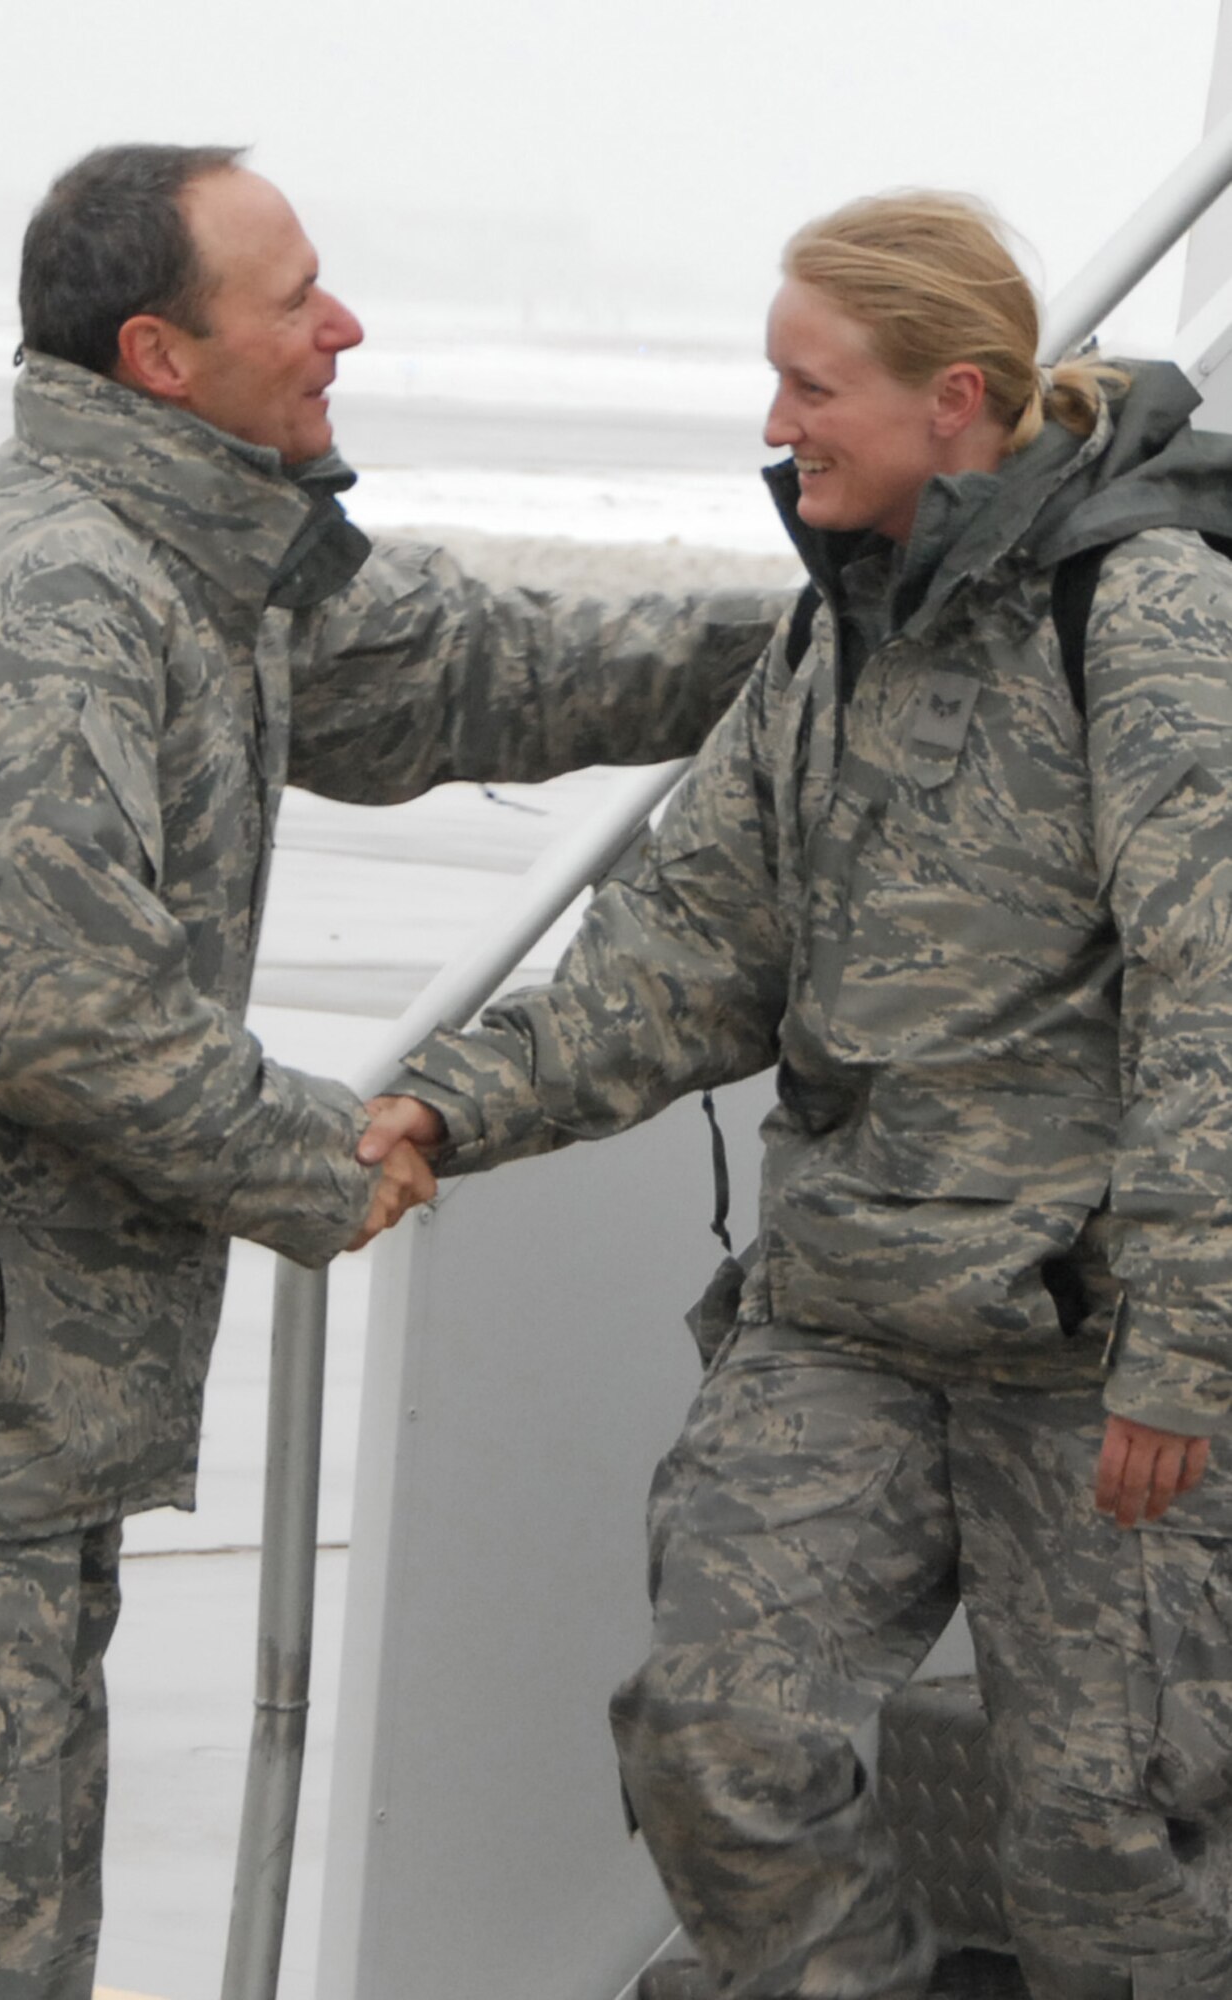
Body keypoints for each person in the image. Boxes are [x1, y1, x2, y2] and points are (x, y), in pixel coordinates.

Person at [0, 143, 781, 1997]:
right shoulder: (57, 597)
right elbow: (45, 992)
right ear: (158, 353)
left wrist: (825, 634)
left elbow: (482, 673)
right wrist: (322, 1154)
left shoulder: (213, 566)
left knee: (13, 1903)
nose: (341, 326)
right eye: (294, 297)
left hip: (11, 1399)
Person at [362, 190, 1232, 2000]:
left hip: (1090, 1360)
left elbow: (1215, 995)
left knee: (1115, 1858)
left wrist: (1188, 1349)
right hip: (841, 1318)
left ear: (956, 398)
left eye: (807, 384)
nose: (774, 425)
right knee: (713, 1743)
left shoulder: (1138, 617)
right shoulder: (830, 634)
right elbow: (681, 952)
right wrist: (445, 1108)